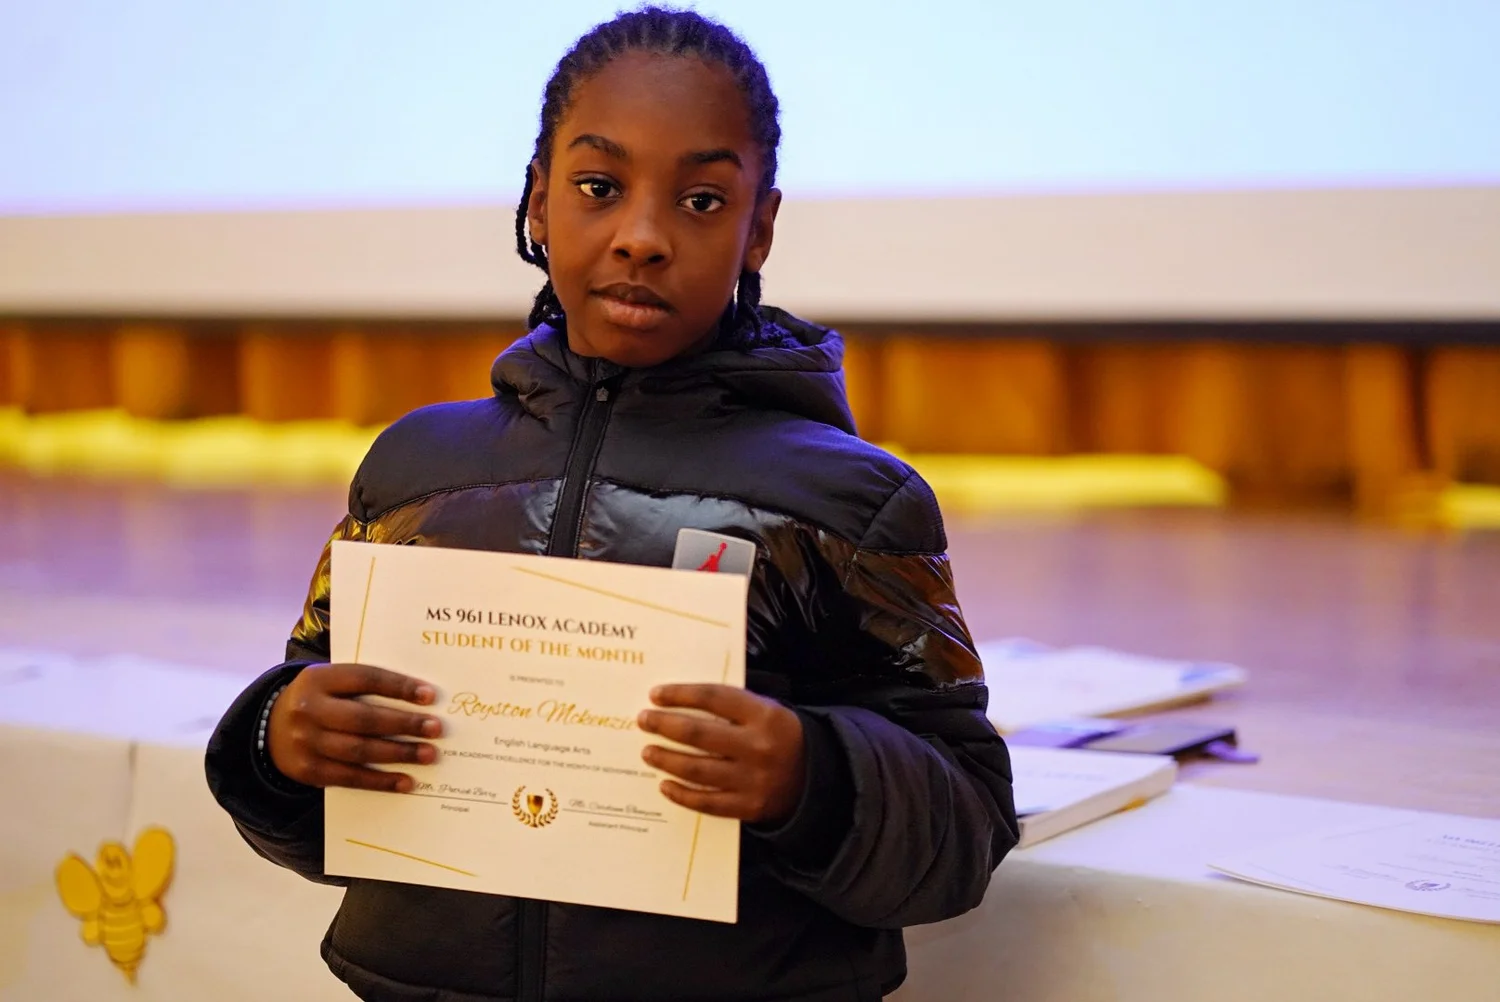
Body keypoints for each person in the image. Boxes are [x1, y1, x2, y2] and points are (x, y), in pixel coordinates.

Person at [205, 7, 1018, 1001]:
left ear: (760, 226)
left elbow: (967, 825)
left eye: (703, 201)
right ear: (537, 203)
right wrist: (275, 742)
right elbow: (327, 759)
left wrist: (814, 778)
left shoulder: (850, 504)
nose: (642, 237)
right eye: (598, 188)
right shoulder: (412, 473)